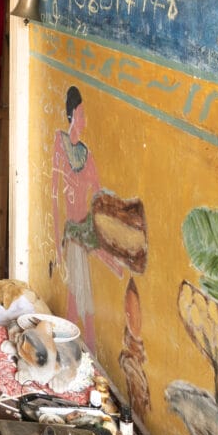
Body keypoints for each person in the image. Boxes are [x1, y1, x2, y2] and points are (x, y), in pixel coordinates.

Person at [51, 85, 122, 352]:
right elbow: (54, 196)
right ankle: (75, 353)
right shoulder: (60, 144)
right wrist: (59, 246)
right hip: (72, 235)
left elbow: (99, 198)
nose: (84, 120)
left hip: (85, 232)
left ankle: (84, 355)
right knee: (77, 300)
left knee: (85, 302)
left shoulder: (88, 155)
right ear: (71, 116)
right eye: (80, 114)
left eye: (84, 115)